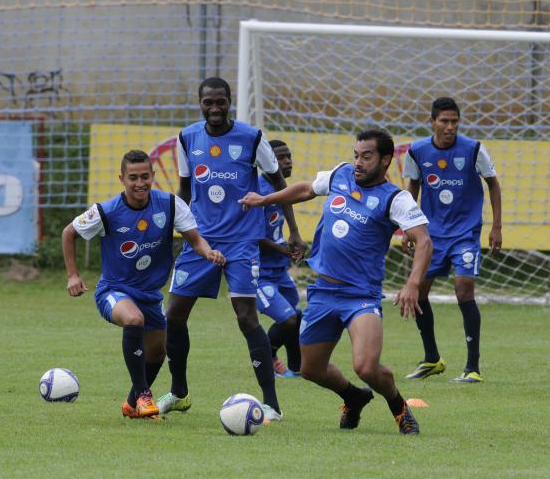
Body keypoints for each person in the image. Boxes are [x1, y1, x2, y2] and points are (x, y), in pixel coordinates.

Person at [239, 128, 432, 434]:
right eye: (356, 155)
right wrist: (265, 199)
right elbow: (304, 189)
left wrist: (412, 284)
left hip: (361, 295)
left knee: (366, 367)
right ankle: (352, 397)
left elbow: (423, 241)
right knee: (309, 369)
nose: (358, 162)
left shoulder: (395, 198)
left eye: (366, 156)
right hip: (324, 291)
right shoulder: (341, 174)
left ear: (385, 160)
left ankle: (399, 408)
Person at [161, 77, 304, 420]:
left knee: (245, 317)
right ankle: (179, 392)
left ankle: (272, 403)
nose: (214, 109)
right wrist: (174, 233)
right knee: (174, 315)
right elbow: (184, 190)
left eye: (220, 102)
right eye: (208, 102)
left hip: (242, 242)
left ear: (230, 102)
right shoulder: (187, 137)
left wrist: (295, 231)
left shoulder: (252, 138)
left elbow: (278, 184)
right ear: (200, 103)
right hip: (201, 239)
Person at [62, 150, 224, 419]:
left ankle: (131, 404)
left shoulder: (170, 204)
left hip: (150, 295)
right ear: (122, 179)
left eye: (145, 177)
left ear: (153, 176)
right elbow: (69, 233)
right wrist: (73, 275)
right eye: (133, 177)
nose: (140, 183)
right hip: (114, 290)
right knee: (133, 320)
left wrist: (208, 252)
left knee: (158, 350)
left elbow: (195, 239)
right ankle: (145, 395)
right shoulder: (107, 211)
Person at [402, 97, 503, 383]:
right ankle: (432, 359)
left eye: (454, 122)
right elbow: (412, 187)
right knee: (419, 293)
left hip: (465, 233)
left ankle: (473, 367)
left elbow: (493, 184)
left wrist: (496, 226)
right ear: (432, 122)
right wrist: (407, 228)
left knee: (463, 290)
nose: (449, 127)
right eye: (444, 121)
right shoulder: (417, 151)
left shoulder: (473, 149)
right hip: (431, 235)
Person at [256, 140, 304, 379]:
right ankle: (264, 357)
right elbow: (252, 236)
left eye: (289, 156)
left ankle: (297, 369)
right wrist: (281, 249)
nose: (287, 162)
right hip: (258, 273)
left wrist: (293, 239)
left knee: (297, 316)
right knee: (288, 320)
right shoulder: (258, 190)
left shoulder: (282, 189)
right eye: (281, 157)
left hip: (279, 271)